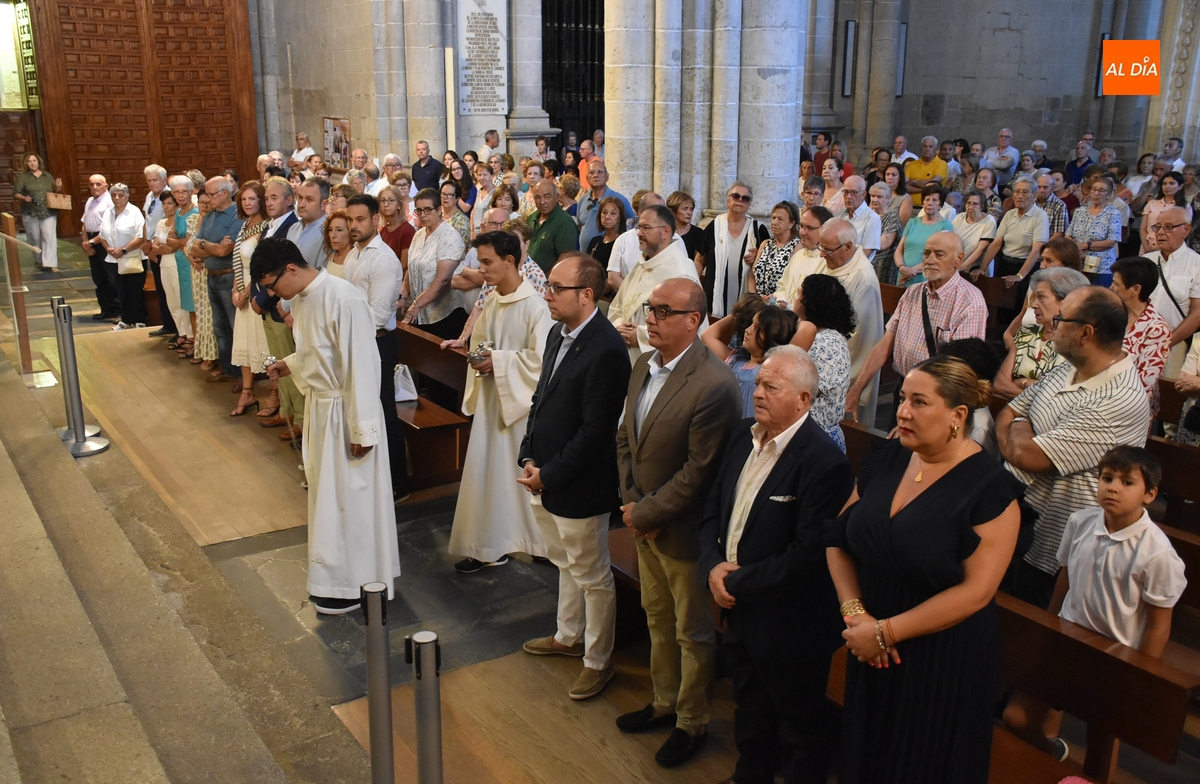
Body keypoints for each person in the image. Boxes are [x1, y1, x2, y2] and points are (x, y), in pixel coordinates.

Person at [827, 354, 1022, 784]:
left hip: (942, 657)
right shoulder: (890, 456)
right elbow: (839, 537)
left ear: (957, 415)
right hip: (870, 642)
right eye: (901, 398)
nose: (902, 411)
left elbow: (976, 592)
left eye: (918, 401)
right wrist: (856, 613)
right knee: (867, 757)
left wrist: (885, 632)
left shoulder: (991, 490)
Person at [700, 346, 855, 784]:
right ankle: (749, 775)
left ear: (804, 400)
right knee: (749, 707)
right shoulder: (742, 435)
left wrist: (737, 582)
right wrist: (713, 565)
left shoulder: (825, 462)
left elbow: (807, 556)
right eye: (760, 383)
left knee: (798, 723)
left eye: (772, 386)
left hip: (791, 622)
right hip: (739, 604)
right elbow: (715, 507)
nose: (758, 393)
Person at [614, 277, 741, 769]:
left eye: (663, 311)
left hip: (683, 530)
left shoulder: (714, 385)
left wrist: (643, 514)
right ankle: (664, 700)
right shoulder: (646, 363)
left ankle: (692, 721)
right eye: (650, 307)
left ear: (693, 321)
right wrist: (631, 503)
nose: (651, 317)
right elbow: (627, 435)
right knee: (656, 619)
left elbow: (698, 473)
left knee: (692, 632)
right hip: (642, 517)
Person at [1002, 446, 1186, 761]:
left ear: (1150, 494)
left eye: (1127, 482)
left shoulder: (1157, 553)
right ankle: (1050, 752)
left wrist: (1139, 676)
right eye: (1107, 478)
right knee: (1016, 717)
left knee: (1101, 744)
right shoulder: (1081, 521)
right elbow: (1065, 577)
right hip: (1067, 639)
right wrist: (1049, 626)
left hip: (1116, 655)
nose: (1112, 487)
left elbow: (1158, 623)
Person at [253, 238, 401, 615]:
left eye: (272, 285)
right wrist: (291, 363)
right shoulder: (302, 300)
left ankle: (361, 584)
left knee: (351, 500)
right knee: (328, 499)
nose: (273, 294)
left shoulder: (343, 297)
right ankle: (334, 578)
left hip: (346, 411)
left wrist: (363, 430)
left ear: (290, 269)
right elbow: (319, 351)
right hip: (322, 410)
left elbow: (362, 365)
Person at [517, 254, 630, 700]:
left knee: (593, 575)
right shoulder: (555, 332)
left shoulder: (606, 348)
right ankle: (567, 636)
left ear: (587, 295)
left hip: (580, 482)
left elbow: (597, 432)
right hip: (544, 470)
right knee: (564, 561)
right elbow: (541, 397)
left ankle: (598, 661)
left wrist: (550, 474)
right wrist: (528, 452)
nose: (547, 293)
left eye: (556, 288)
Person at [997, 286, 1152, 608]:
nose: (1052, 325)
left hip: (1057, 549)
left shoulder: (1118, 398)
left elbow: (1029, 455)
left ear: (1086, 333)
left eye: (1061, 318)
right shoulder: (1068, 367)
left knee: (1029, 633)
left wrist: (1021, 431)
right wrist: (1020, 432)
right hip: (1018, 524)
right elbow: (1009, 411)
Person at [443, 231, 552, 572]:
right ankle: (488, 545)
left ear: (510, 261)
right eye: (479, 262)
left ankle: (539, 544)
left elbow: (543, 363)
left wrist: (500, 361)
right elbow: (481, 341)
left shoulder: (536, 306)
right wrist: (479, 357)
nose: (481, 269)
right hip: (494, 403)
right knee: (489, 478)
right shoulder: (492, 300)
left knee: (518, 480)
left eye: (487, 262)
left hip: (521, 410)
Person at [847, 232, 987, 426]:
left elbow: (960, 369)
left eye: (939, 254)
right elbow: (884, 345)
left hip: (937, 397)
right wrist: (856, 389)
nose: (929, 260)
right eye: (926, 253)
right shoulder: (913, 292)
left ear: (959, 259)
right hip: (904, 388)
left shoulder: (970, 302)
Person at [341, 194, 409, 502]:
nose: (354, 226)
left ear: (375, 221)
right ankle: (370, 474)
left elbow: (379, 314)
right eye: (350, 220)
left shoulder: (382, 258)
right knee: (362, 407)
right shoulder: (355, 254)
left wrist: (346, 329)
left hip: (379, 343)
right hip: (357, 340)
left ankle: (397, 483)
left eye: (360, 220)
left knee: (383, 411)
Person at [609, 205, 701, 363]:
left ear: (665, 232)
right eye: (639, 227)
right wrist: (619, 327)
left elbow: (686, 326)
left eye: (646, 228)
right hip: (627, 355)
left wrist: (639, 336)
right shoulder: (643, 264)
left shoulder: (681, 273)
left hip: (660, 362)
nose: (639, 233)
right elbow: (617, 306)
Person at [815, 219, 885, 426]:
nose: (821, 254)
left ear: (848, 247)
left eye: (827, 249)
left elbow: (856, 336)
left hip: (838, 372)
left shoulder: (863, 279)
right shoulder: (832, 261)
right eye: (821, 247)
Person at [994, 267, 1091, 399]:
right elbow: (999, 385)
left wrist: (1023, 382)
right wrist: (1035, 393)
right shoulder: (1026, 333)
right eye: (1034, 297)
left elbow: (1066, 397)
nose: (1033, 305)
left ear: (1066, 300)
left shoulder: (1079, 342)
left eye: (1041, 297)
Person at [790, 274, 855, 451]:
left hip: (817, 443)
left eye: (799, 295)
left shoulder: (828, 342)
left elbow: (804, 387)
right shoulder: (816, 335)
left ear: (808, 303)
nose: (795, 300)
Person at [702, 300, 797, 417]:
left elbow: (808, 329)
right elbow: (707, 336)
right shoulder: (735, 362)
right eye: (751, 324)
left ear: (773, 334)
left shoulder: (770, 370)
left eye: (757, 328)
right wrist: (741, 311)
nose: (748, 330)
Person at [195, 177, 244, 382]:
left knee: (235, 326)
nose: (207, 199)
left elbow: (226, 250)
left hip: (228, 277)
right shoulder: (210, 216)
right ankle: (228, 369)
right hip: (211, 276)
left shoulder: (236, 216)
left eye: (211, 194)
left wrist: (207, 245)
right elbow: (196, 248)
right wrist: (210, 245)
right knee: (220, 327)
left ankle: (243, 374)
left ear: (225, 193)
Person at [402, 188, 468, 339]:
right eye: (419, 210)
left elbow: (443, 279)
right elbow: (412, 267)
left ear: (439, 210)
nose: (423, 215)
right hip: (420, 312)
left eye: (427, 210)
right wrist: (402, 296)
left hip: (443, 315)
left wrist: (417, 304)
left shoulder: (449, 236)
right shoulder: (419, 234)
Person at [698, 181, 770, 317]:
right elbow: (700, 259)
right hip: (713, 298)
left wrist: (758, 257)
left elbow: (768, 263)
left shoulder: (758, 229)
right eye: (736, 196)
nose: (740, 200)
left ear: (749, 204)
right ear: (728, 200)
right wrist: (694, 286)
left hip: (746, 299)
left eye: (745, 198)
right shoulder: (715, 226)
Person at [1142, 207, 1200, 377]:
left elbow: (1197, 314)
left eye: (1168, 227)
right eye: (1157, 227)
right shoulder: (1145, 262)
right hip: (1139, 343)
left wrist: (1165, 344)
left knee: (1168, 395)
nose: (1160, 232)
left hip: (1176, 345)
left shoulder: (1196, 264)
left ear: (1186, 230)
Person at [1110, 257, 1172, 413]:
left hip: (1132, 408)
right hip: (1097, 396)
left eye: (1116, 284)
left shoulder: (1157, 329)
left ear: (1135, 289)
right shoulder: (1110, 314)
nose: (1110, 288)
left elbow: (1145, 381)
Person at [229, 182, 270, 415]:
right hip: (241, 288)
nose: (247, 203)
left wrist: (245, 293)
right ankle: (247, 393)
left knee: (263, 344)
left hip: (255, 289)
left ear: (261, 200)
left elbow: (259, 264)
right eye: (244, 200)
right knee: (244, 342)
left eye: (252, 199)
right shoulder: (245, 226)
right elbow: (239, 264)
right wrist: (235, 291)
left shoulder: (265, 227)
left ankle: (275, 395)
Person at [975, 175, 1049, 288]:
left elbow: (1037, 250)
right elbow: (996, 244)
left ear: (1034, 195)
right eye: (1017, 192)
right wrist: (982, 268)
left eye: (1025, 192)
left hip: (1025, 268)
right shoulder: (1010, 214)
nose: (1020, 196)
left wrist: (1019, 276)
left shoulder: (1040, 216)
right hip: (1005, 264)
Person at [97, 183, 148, 330]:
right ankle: (125, 319)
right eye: (114, 195)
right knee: (121, 291)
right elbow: (102, 235)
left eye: (120, 195)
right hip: (114, 258)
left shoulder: (134, 211)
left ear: (127, 196)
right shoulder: (108, 212)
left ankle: (139, 319)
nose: (117, 198)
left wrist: (123, 250)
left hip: (132, 257)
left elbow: (140, 236)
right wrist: (110, 250)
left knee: (135, 290)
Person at [770, 205, 832, 305]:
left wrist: (790, 308)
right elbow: (782, 286)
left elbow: (819, 302)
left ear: (825, 230)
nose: (802, 232)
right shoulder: (798, 255)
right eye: (802, 226)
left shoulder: (828, 261)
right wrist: (778, 301)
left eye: (810, 228)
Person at [894, 184, 953, 286]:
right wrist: (901, 267)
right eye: (927, 200)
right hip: (903, 274)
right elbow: (899, 249)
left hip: (924, 277)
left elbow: (939, 256)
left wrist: (911, 272)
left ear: (940, 205)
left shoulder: (945, 226)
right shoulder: (912, 222)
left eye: (934, 200)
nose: (929, 203)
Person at [1067, 176, 1123, 284]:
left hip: (1101, 267)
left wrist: (1085, 245)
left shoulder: (1113, 213)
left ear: (1109, 194)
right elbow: (1068, 235)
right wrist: (1077, 248)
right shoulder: (1079, 211)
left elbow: (1111, 241)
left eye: (1101, 190)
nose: (1096, 193)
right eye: (1094, 189)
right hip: (1078, 264)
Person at [14, 153, 63, 271]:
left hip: (48, 211)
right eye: (29, 161)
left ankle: (51, 263)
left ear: (38, 162)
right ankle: (39, 259)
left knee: (49, 236)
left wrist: (58, 187)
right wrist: (24, 198)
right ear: (26, 164)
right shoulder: (23, 177)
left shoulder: (47, 176)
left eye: (34, 160)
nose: (32, 163)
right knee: (35, 237)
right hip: (31, 211)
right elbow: (16, 193)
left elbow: (55, 191)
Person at [81, 174, 117, 319]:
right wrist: (86, 243)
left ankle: (116, 310)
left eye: (98, 184)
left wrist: (91, 242)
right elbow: (84, 223)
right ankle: (106, 309)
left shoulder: (110, 201)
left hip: (104, 240)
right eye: (91, 184)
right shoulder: (90, 201)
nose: (94, 187)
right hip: (90, 239)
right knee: (98, 277)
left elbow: (108, 227)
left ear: (106, 186)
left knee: (111, 277)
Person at [747, 201, 801, 297]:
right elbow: (752, 277)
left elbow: (792, 283)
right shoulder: (765, 244)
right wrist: (755, 299)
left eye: (780, 219)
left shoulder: (797, 246)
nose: (774, 222)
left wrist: (772, 300)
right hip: (758, 302)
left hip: (779, 304)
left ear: (791, 224)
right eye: (773, 218)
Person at [527, 179, 580, 273]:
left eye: (547, 197)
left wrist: (546, 280)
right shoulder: (531, 218)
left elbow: (565, 257)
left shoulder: (564, 222)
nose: (542, 202)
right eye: (537, 197)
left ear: (556, 197)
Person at [1140, 171, 1192, 254]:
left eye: (1171, 183)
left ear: (1180, 186)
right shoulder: (1152, 203)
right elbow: (1143, 228)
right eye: (1164, 184)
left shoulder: (1185, 206)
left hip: (1171, 248)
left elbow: (1184, 230)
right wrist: (1146, 247)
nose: (1167, 186)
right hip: (1148, 246)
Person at [288, 177, 331, 269]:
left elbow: (322, 273)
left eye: (309, 199)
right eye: (300, 197)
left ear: (324, 204)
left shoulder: (329, 232)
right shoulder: (293, 229)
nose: (302, 204)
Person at [952, 190, 998, 275]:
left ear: (982, 206)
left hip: (974, 268)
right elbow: (951, 241)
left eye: (975, 204)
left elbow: (980, 250)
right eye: (968, 203)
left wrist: (960, 268)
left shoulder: (989, 221)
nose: (970, 207)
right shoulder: (959, 217)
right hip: (956, 264)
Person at [838, 176, 881, 260]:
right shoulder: (839, 215)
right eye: (846, 192)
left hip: (857, 268)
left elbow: (866, 253)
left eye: (854, 192)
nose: (848, 196)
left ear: (863, 195)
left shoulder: (872, 218)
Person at [377, 186, 415, 270]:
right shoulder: (383, 230)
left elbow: (404, 265)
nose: (386, 204)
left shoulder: (408, 231)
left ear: (399, 205)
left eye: (391, 200)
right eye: (383, 200)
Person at [905, 136, 948, 207]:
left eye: (930, 147)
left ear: (936, 149)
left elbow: (933, 184)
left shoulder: (942, 164)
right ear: (921, 148)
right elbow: (905, 186)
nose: (927, 149)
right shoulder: (912, 165)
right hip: (910, 206)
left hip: (931, 207)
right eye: (925, 146)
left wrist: (913, 182)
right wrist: (926, 190)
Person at [586, 196, 625, 272]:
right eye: (604, 212)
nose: (607, 217)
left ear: (620, 218)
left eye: (613, 213)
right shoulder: (595, 241)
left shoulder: (623, 242)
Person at [668, 191, 701, 262]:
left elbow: (699, 261)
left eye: (691, 209)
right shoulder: (664, 231)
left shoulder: (698, 233)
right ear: (673, 211)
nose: (689, 213)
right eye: (685, 209)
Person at [1035, 173, 1069, 240]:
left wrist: (1042, 247)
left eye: (1045, 187)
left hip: (1048, 244)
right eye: (1039, 187)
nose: (1041, 190)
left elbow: (1059, 234)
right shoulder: (1030, 202)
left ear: (1052, 188)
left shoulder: (1060, 205)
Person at [321, 209, 351, 278]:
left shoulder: (356, 260)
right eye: (330, 230)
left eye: (339, 230)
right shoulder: (331, 257)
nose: (333, 235)